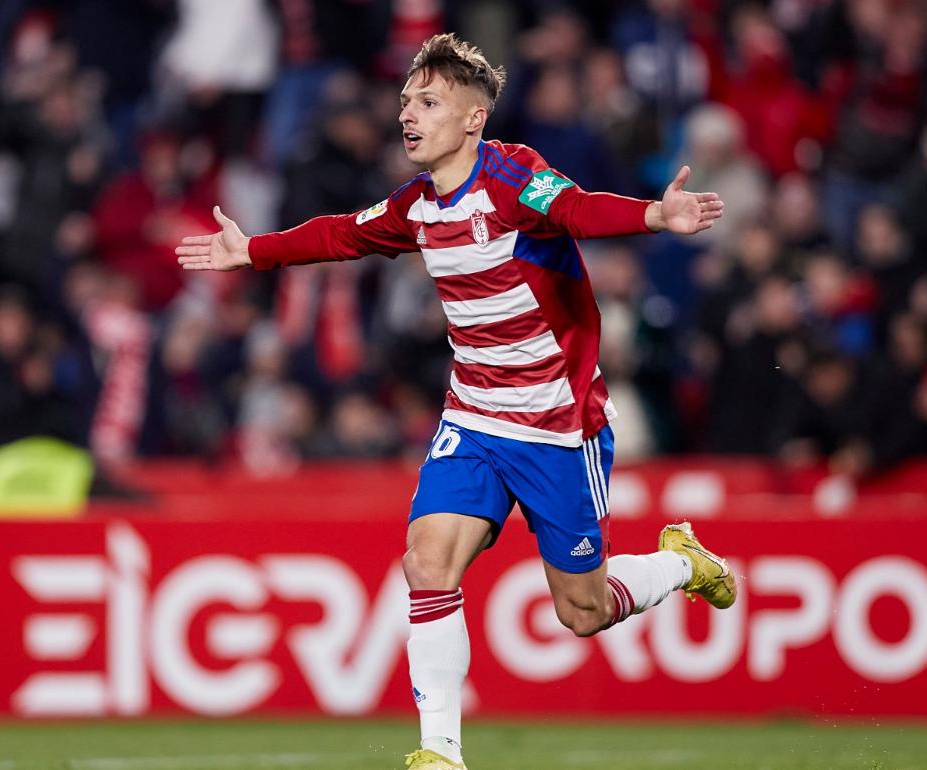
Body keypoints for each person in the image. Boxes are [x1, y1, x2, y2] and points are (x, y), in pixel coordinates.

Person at [176, 33, 735, 770]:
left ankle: (678, 562)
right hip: (473, 419)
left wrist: (655, 217)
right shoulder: (417, 206)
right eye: (407, 100)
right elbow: (344, 234)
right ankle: (440, 753)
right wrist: (256, 251)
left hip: (558, 427)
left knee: (583, 611)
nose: (409, 114)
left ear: (473, 118)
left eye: (429, 102)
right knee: (426, 561)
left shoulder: (512, 179)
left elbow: (574, 210)